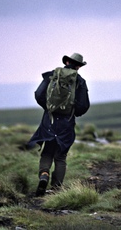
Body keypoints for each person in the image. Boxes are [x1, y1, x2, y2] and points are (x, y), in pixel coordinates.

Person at [29, 53, 90, 196]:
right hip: (66, 123)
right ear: (78, 66)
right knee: (61, 156)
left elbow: (38, 94)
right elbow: (84, 105)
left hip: (48, 121)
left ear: (67, 61)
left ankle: (44, 175)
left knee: (47, 153)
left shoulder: (52, 75)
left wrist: (49, 107)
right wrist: (73, 112)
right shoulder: (80, 81)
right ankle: (56, 190)